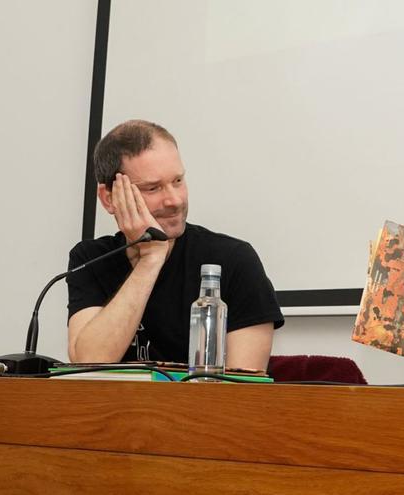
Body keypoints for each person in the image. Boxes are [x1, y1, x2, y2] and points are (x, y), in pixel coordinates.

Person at [66, 120, 284, 369]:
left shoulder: (234, 259)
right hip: (116, 409)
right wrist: (150, 260)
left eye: (178, 181)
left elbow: (243, 390)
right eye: (153, 187)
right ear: (109, 198)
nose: (174, 200)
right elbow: (89, 364)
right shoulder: (91, 258)